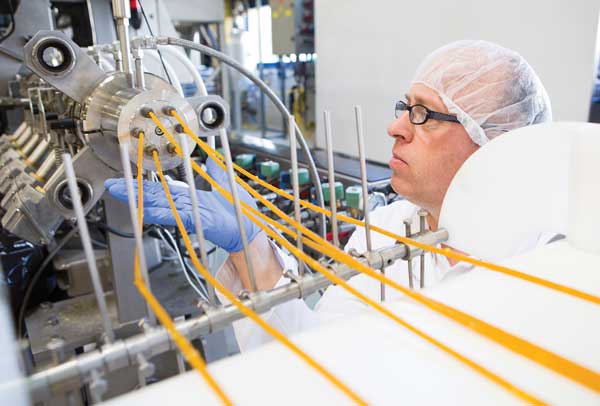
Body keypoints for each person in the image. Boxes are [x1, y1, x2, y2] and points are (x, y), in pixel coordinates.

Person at [105, 40, 552, 350]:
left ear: (495, 140)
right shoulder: (385, 232)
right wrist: (251, 248)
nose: (395, 127)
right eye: (404, 107)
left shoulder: (550, 263)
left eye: (424, 114)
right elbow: (318, 356)